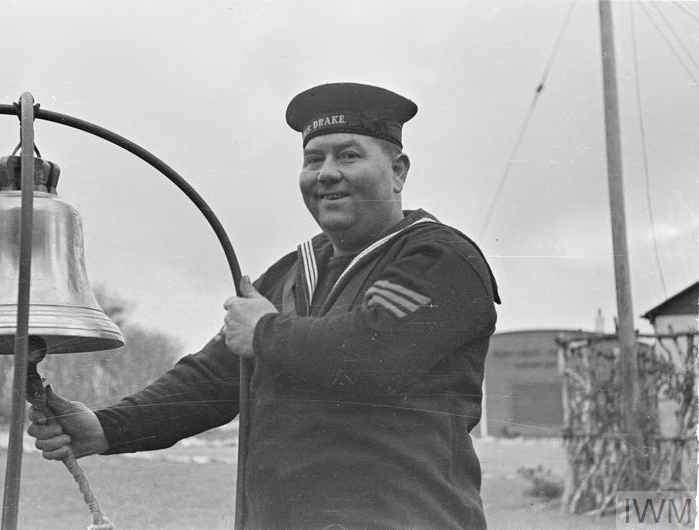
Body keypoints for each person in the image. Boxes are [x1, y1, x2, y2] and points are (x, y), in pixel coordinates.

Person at [29, 82, 500, 529]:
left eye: (349, 155)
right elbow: (212, 378)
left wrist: (264, 333)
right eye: (313, 159)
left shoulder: (440, 258)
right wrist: (106, 427)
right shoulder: (290, 272)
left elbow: (372, 354)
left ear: (397, 171)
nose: (327, 172)